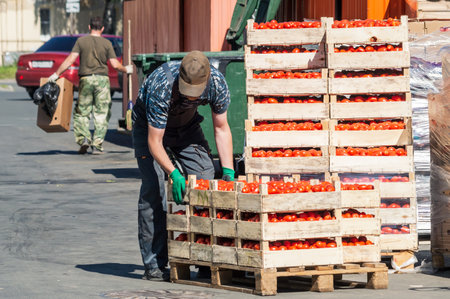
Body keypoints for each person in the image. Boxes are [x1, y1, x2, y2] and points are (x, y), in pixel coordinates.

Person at [132, 51, 234, 281]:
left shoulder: (217, 83)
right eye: (186, 92)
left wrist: (228, 170)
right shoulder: (162, 85)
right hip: (149, 129)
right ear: (179, 78)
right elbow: (154, 142)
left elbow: (221, 127)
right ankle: (154, 263)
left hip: (186, 128)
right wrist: (174, 173)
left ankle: (203, 255)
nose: (190, 98)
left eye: (194, 94)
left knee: (206, 179)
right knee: (154, 189)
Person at [49, 16, 133, 154]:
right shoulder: (107, 43)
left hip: (86, 80)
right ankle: (98, 144)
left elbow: (71, 59)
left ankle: (83, 139)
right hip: (102, 82)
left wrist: (56, 74)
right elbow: (114, 64)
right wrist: (126, 69)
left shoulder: (81, 41)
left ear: (89, 27)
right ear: (102, 28)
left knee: (82, 112)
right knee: (101, 113)